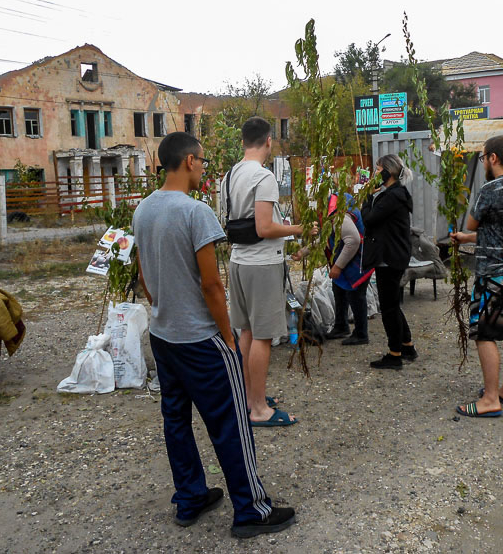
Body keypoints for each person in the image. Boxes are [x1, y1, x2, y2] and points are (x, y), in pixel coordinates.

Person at [133, 131, 295, 537]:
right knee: (230, 421)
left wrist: (163, 308)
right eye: (202, 161)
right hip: (200, 340)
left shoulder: (143, 210)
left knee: (176, 420)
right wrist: (226, 337)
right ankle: (251, 510)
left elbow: (143, 277)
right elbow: (211, 285)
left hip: (163, 335)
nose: (204, 168)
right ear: (188, 161)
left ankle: (189, 497)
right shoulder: (195, 211)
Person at [224, 116, 314, 427]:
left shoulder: (230, 174)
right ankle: (260, 409)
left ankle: (250, 398)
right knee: (262, 337)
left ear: (243, 141)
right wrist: (300, 229)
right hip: (261, 264)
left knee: (247, 333)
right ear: (269, 141)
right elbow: (264, 227)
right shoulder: (263, 177)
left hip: (238, 261)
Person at [451, 135, 503, 418]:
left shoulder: (490, 189)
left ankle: (489, 399)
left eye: (484, 157)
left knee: (485, 334)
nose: (484, 162)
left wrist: (465, 231)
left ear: (493, 158)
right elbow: (499, 233)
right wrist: (467, 239)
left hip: (494, 275)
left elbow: (473, 221)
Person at [361, 153, 416, 370]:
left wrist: (367, 197)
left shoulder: (392, 196)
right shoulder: (395, 194)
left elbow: (369, 220)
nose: (374, 174)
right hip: (394, 255)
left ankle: (395, 355)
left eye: (377, 169)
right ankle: (407, 345)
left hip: (389, 258)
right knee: (393, 304)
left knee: (389, 307)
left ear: (388, 171)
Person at [299, 192, 373, 345]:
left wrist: (338, 267)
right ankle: (341, 326)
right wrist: (302, 252)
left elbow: (352, 241)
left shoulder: (340, 215)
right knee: (339, 291)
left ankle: (361, 334)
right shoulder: (332, 214)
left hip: (356, 263)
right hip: (347, 262)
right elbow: (325, 237)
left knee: (356, 296)